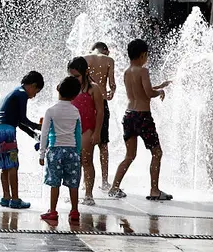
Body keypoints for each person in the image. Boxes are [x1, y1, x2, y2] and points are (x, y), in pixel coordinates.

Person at [108, 39, 172, 200]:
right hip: (143, 116)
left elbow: (140, 91)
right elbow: (148, 94)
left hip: (129, 115)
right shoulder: (143, 71)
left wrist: (158, 86)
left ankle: (114, 187)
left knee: (129, 156)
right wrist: (160, 92)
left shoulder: (127, 72)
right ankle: (154, 190)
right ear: (143, 55)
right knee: (157, 153)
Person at [0, 71, 44, 209]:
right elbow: (23, 119)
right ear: (33, 85)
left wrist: (34, 135)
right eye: (36, 92)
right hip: (8, 134)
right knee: (13, 165)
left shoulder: (15, 91)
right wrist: (38, 126)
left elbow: (19, 123)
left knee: (4, 166)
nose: (34, 96)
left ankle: (5, 197)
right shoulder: (22, 94)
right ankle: (15, 199)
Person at [39, 76, 83, 222]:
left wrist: (41, 153)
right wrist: (78, 152)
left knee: (54, 182)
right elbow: (78, 134)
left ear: (58, 89)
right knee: (73, 183)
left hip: (55, 151)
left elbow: (44, 133)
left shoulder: (51, 111)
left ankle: (53, 211)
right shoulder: (76, 111)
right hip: (72, 151)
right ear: (75, 95)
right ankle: (74, 211)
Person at [67, 56, 104, 206]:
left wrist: (97, 132)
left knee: (86, 160)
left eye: (77, 76)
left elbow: (100, 112)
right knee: (74, 162)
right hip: (71, 128)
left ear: (86, 72)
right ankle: (74, 193)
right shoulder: (69, 87)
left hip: (88, 128)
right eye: (71, 76)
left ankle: (89, 194)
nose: (74, 79)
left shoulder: (93, 88)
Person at [84, 42, 116, 191]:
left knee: (85, 142)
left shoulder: (84, 58)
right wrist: (110, 94)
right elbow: (112, 85)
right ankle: (104, 181)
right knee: (103, 144)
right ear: (106, 50)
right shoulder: (109, 60)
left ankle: (85, 182)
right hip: (101, 103)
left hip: (87, 103)